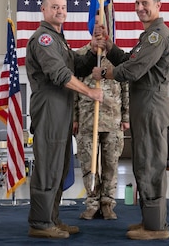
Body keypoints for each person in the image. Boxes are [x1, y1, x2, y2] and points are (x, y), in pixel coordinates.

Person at [92, 0, 169, 240]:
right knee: (143, 164)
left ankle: (156, 227)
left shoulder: (156, 35)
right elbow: (130, 60)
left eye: (145, 3)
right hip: (145, 106)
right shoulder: (147, 35)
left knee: (150, 165)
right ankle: (150, 221)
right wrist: (109, 46)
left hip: (151, 106)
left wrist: (104, 73)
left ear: (158, 5)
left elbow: (134, 70)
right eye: (137, 3)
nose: (140, 8)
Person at [25, 0, 104, 239]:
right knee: (48, 167)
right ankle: (40, 222)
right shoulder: (44, 39)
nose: (60, 11)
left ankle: (52, 218)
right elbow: (59, 75)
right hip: (49, 109)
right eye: (54, 7)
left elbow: (75, 67)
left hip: (62, 111)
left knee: (59, 168)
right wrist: (89, 93)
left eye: (63, 7)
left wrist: (92, 51)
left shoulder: (59, 39)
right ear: (44, 10)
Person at [73, 36, 130, 221]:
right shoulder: (81, 55)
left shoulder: (116, 56)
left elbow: (125, 87)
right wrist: (74, 118)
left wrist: (126, 116)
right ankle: (92, 203)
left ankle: (107, 204)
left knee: (111, 165)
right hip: (87, 119)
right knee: (88, 165)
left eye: (103, 29)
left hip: (113, 119)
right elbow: (73, 88)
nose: (100, 33)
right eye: (96, 29)